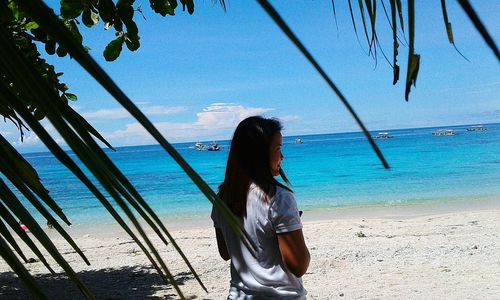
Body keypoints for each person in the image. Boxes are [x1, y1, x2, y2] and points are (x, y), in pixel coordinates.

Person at [211, 116, 310, 299]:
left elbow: (226, 252)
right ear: (260, 154)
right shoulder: (278, 198)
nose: (282, 156)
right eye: (278, 148)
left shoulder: (223, 197)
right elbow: (298, 266)